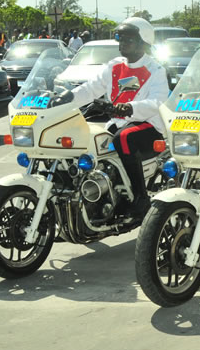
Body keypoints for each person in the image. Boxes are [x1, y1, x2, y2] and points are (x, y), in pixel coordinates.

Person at [69, 17, 169, 221]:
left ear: (143, 42)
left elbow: (158, 102)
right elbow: (90, 88)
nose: (122, 43)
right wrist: (65, 98)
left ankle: (141, 199)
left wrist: (130, 107)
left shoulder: (155, 70)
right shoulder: (114, 66)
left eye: (128, 39)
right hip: (117, 124)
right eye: (120, 38)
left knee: (124, 138)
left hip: (148, 126)